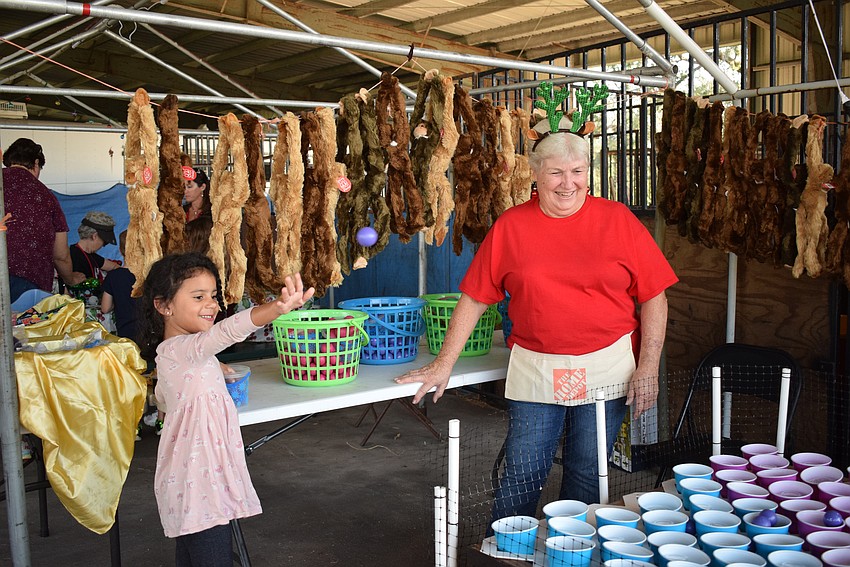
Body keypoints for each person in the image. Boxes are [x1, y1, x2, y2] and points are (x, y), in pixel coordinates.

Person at [395, 117, 678, 515]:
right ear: (535, 173)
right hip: (537, 365)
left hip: (608, 364)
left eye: (577, 171)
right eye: (556, 172)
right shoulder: (511, 226)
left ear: (588, 172)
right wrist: (444, 362)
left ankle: (575, 552)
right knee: (523, 471)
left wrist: (648, 363)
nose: (568, 183)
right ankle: (509, 551)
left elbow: (654, 295)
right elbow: (475, 298)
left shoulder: (618, 220)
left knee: (587, 470)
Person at [138, 252, 314, 566]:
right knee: (211, 554)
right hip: (200, 482)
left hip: (198, 479)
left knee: (192, 553)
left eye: (213, 295)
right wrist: (276, 308)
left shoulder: (179, 354)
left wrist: (210, 365)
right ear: (164, 306)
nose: (212, 304)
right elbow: (227, 332)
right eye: (198, 296)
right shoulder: (182, 350)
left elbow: (164, 400)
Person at [2, 138, 84, 301]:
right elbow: (60, 255)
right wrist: (70, 279)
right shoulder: (46, 197)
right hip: (28, 286)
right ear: (36, 163)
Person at [100, 231, 140, 341]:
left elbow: (105, 307)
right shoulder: (150, 275)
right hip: (151, 331)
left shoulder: (113, 276)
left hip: (126, 333)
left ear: (121, 251)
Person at [69, 211, 121, 284]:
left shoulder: (91, 256)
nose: (103, 245)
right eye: (104, 241)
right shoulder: (73, 255)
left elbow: (114, 266)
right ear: (94, 236)